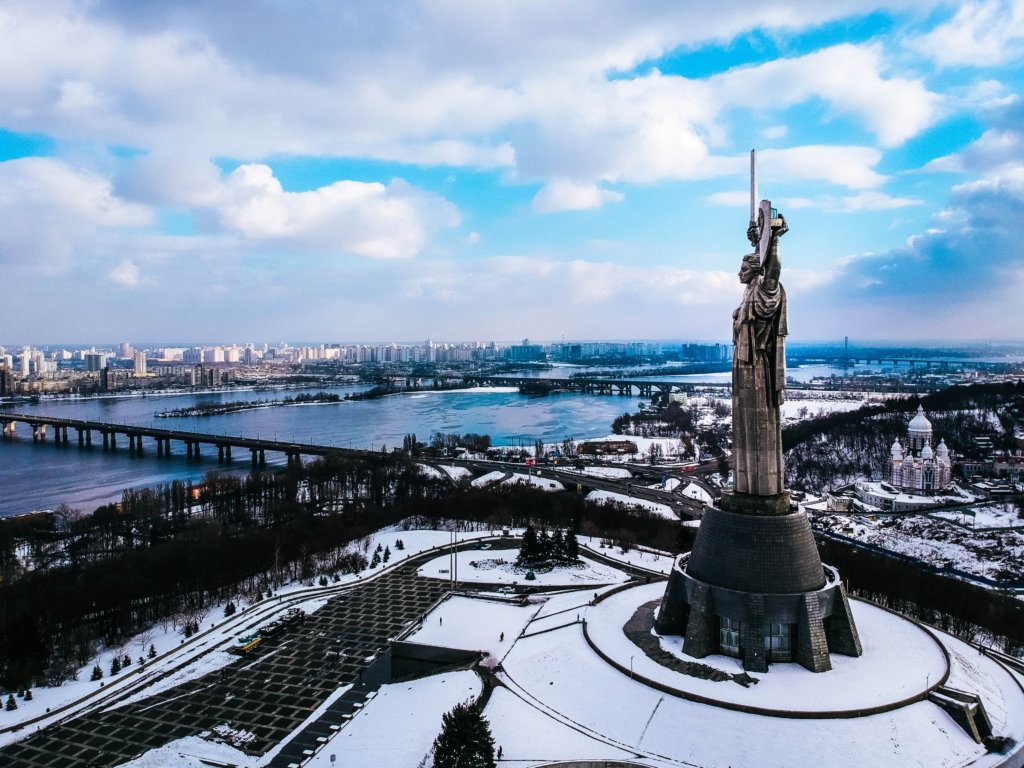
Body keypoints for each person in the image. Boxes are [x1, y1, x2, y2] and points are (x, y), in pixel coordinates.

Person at [731, 210, 788, 497]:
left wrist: (773, 240)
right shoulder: (749, 293)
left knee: (759, 424)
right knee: (744, 425)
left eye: (742, 268)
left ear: (754, 271)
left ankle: (760, 489)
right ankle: (745, 486)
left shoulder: (765, 291)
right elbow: (763, 263)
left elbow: (772, 272)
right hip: (743, 369)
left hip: (757, 370)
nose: (738, 273)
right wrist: (759, 243)